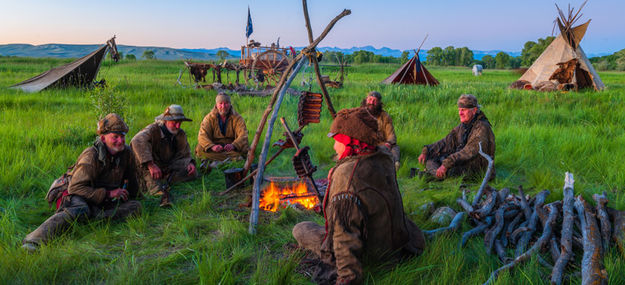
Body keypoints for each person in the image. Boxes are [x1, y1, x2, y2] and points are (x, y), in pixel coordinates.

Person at [292, 107, 426, 284]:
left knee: (301, 229)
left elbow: (344, 237)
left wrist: (347, 277)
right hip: (397, 242)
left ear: (349, 141)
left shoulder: (347, 175)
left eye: (336, 139)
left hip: (372, 252)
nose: (334, 145)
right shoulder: (384, 157)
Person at [22, 114, 141, 251]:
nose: (120, 141)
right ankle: (33, 241)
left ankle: (91, 218)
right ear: (103, 138)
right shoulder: (91, 155)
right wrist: (108, 193)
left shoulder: (126, 152)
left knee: (135, 207)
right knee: (80, 209)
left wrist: (136, 197)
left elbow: (131, 178)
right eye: (115, 137)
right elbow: (76, 187)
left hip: (100, 198)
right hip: (76, 193)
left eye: (123, 136)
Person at [130, 104, 197, 207]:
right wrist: (151, 165)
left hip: (167, 165)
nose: (178, 126)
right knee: (156, 190)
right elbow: (137, 140)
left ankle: (166, 178)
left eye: (180, 123)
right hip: (149, 168)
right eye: (174, 123)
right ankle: (159, 183)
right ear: (165, 121)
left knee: (193, 173)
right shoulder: (153, 130)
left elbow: (184, 153)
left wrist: (189, 163)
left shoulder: (180, 134)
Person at [418, 94, 495, 180]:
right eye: (459, 110)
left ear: (474, 110)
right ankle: (436, 174)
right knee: (431, 159)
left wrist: (447, 163)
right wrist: (427, 150)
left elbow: (469, 151)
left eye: (463, 110)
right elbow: (446, 142)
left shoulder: (482, 127)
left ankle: (434, 175)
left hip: (476, 168)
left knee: (450, 170)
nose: (460, 113)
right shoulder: (464, 126)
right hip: (464, 163)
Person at [196, 93, 249, 163]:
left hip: (231, 147)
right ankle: (234, 158)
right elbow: (202, 135)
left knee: (245, 146)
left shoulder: (237, 118)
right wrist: (212, 146)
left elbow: (243, 135)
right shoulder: (209, 118)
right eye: (220, 103)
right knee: (199, 148)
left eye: (226, 103)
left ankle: (213, 160)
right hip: (215, 146)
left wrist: (233, 145)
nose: (223, 106)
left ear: (230, 104)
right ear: (216, 105)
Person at [361, 91, 400, 170]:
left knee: (395, 147)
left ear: (379, 103)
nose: (372, 102)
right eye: (370, 99)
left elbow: (391, 134)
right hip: (366, 142)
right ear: (366, 100)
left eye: (374, 101)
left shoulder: (385, 116)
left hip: (382, 144)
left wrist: (388, 143)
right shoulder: (359, 113)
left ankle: (394, 164)